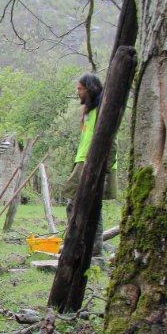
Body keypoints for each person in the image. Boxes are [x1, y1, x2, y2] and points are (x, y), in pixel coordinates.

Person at [63, 73, 105, 256]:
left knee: (85, 204)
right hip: (81, 161)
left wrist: (105, 166)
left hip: (91, 163)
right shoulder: (88, 112)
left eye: (80, 88)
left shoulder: (103, 110)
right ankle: (81, 243)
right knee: (75, 204)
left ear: (90, 89)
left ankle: (91, 246)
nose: (77, 92)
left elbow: (109, 141)